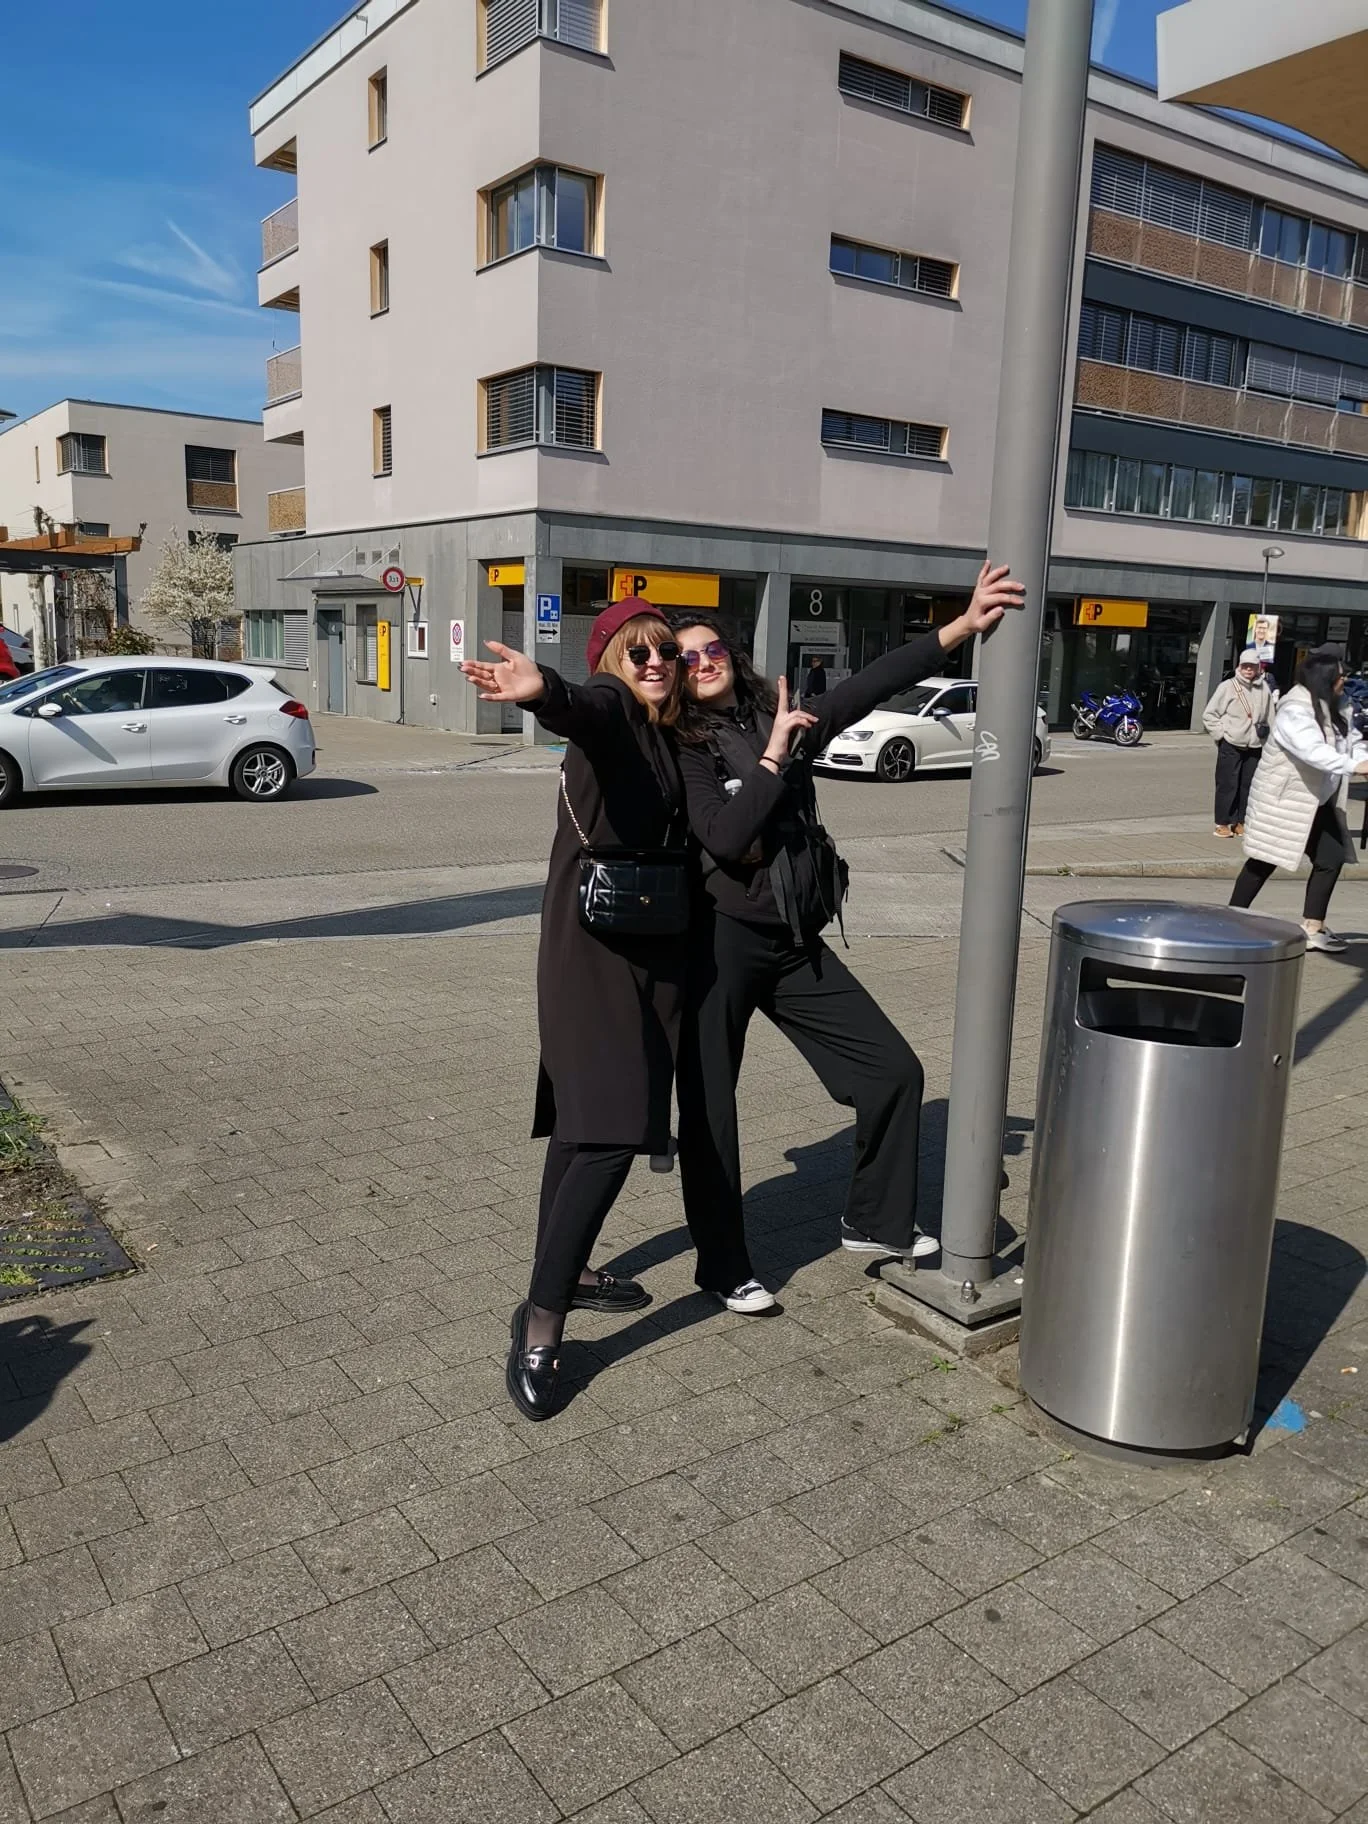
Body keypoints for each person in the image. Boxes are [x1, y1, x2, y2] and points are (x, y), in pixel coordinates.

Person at [670, 561, 1024, 1311]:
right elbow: (726, 839)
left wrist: (957, 629)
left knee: (893, 1071)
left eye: (713, 651)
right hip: (718, 943)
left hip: (793, 937)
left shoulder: (781, 712)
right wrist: (771, 758)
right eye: (687, 657)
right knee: (710, 1110)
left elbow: (868, 685)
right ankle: (723, 1265)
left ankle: (875, 1221)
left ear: (733, 658)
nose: (703, 663)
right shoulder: (685, 746)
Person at [461, 602, 688, 1418]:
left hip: (639, 950)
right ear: (608, 661)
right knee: (613, 1133)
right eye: (636, 651)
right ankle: (541, 1322)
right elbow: (589, 711)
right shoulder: (615, 709)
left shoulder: (670, 731)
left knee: (580, 1130)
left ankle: (573, 1269)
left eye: (665, 649)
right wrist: (544, 691)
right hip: (594, 956)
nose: (655, 661)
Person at [1230, 643, 1368, 954]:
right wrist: (1354, 766)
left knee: (1331, 859)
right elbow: (1312, 752)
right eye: (1340, 676)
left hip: (1320, 800)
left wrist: (1361, 759)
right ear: (1323, 678)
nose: (1344, 681)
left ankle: (1313, 926)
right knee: (1263, 860)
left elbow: (1352, 740)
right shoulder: (1295, 709)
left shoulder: (1339, 704)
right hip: (1286, 799)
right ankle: (1232, 918)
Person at [1203, 646, 1275, 837]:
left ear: (1259, 668)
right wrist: (1221, 735)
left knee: (1249, 785)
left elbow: (1270, 717)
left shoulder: (1264, 688)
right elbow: (1210, 715)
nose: (1249, 670)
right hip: (1232, 743)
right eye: (1245, 666)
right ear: (1239, 666)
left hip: (1255, 744)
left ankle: (1241, 821)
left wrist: (1269, 740)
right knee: (1227, 784)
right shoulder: (1227, 686)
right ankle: (1222, 823)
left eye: (1252, 666)